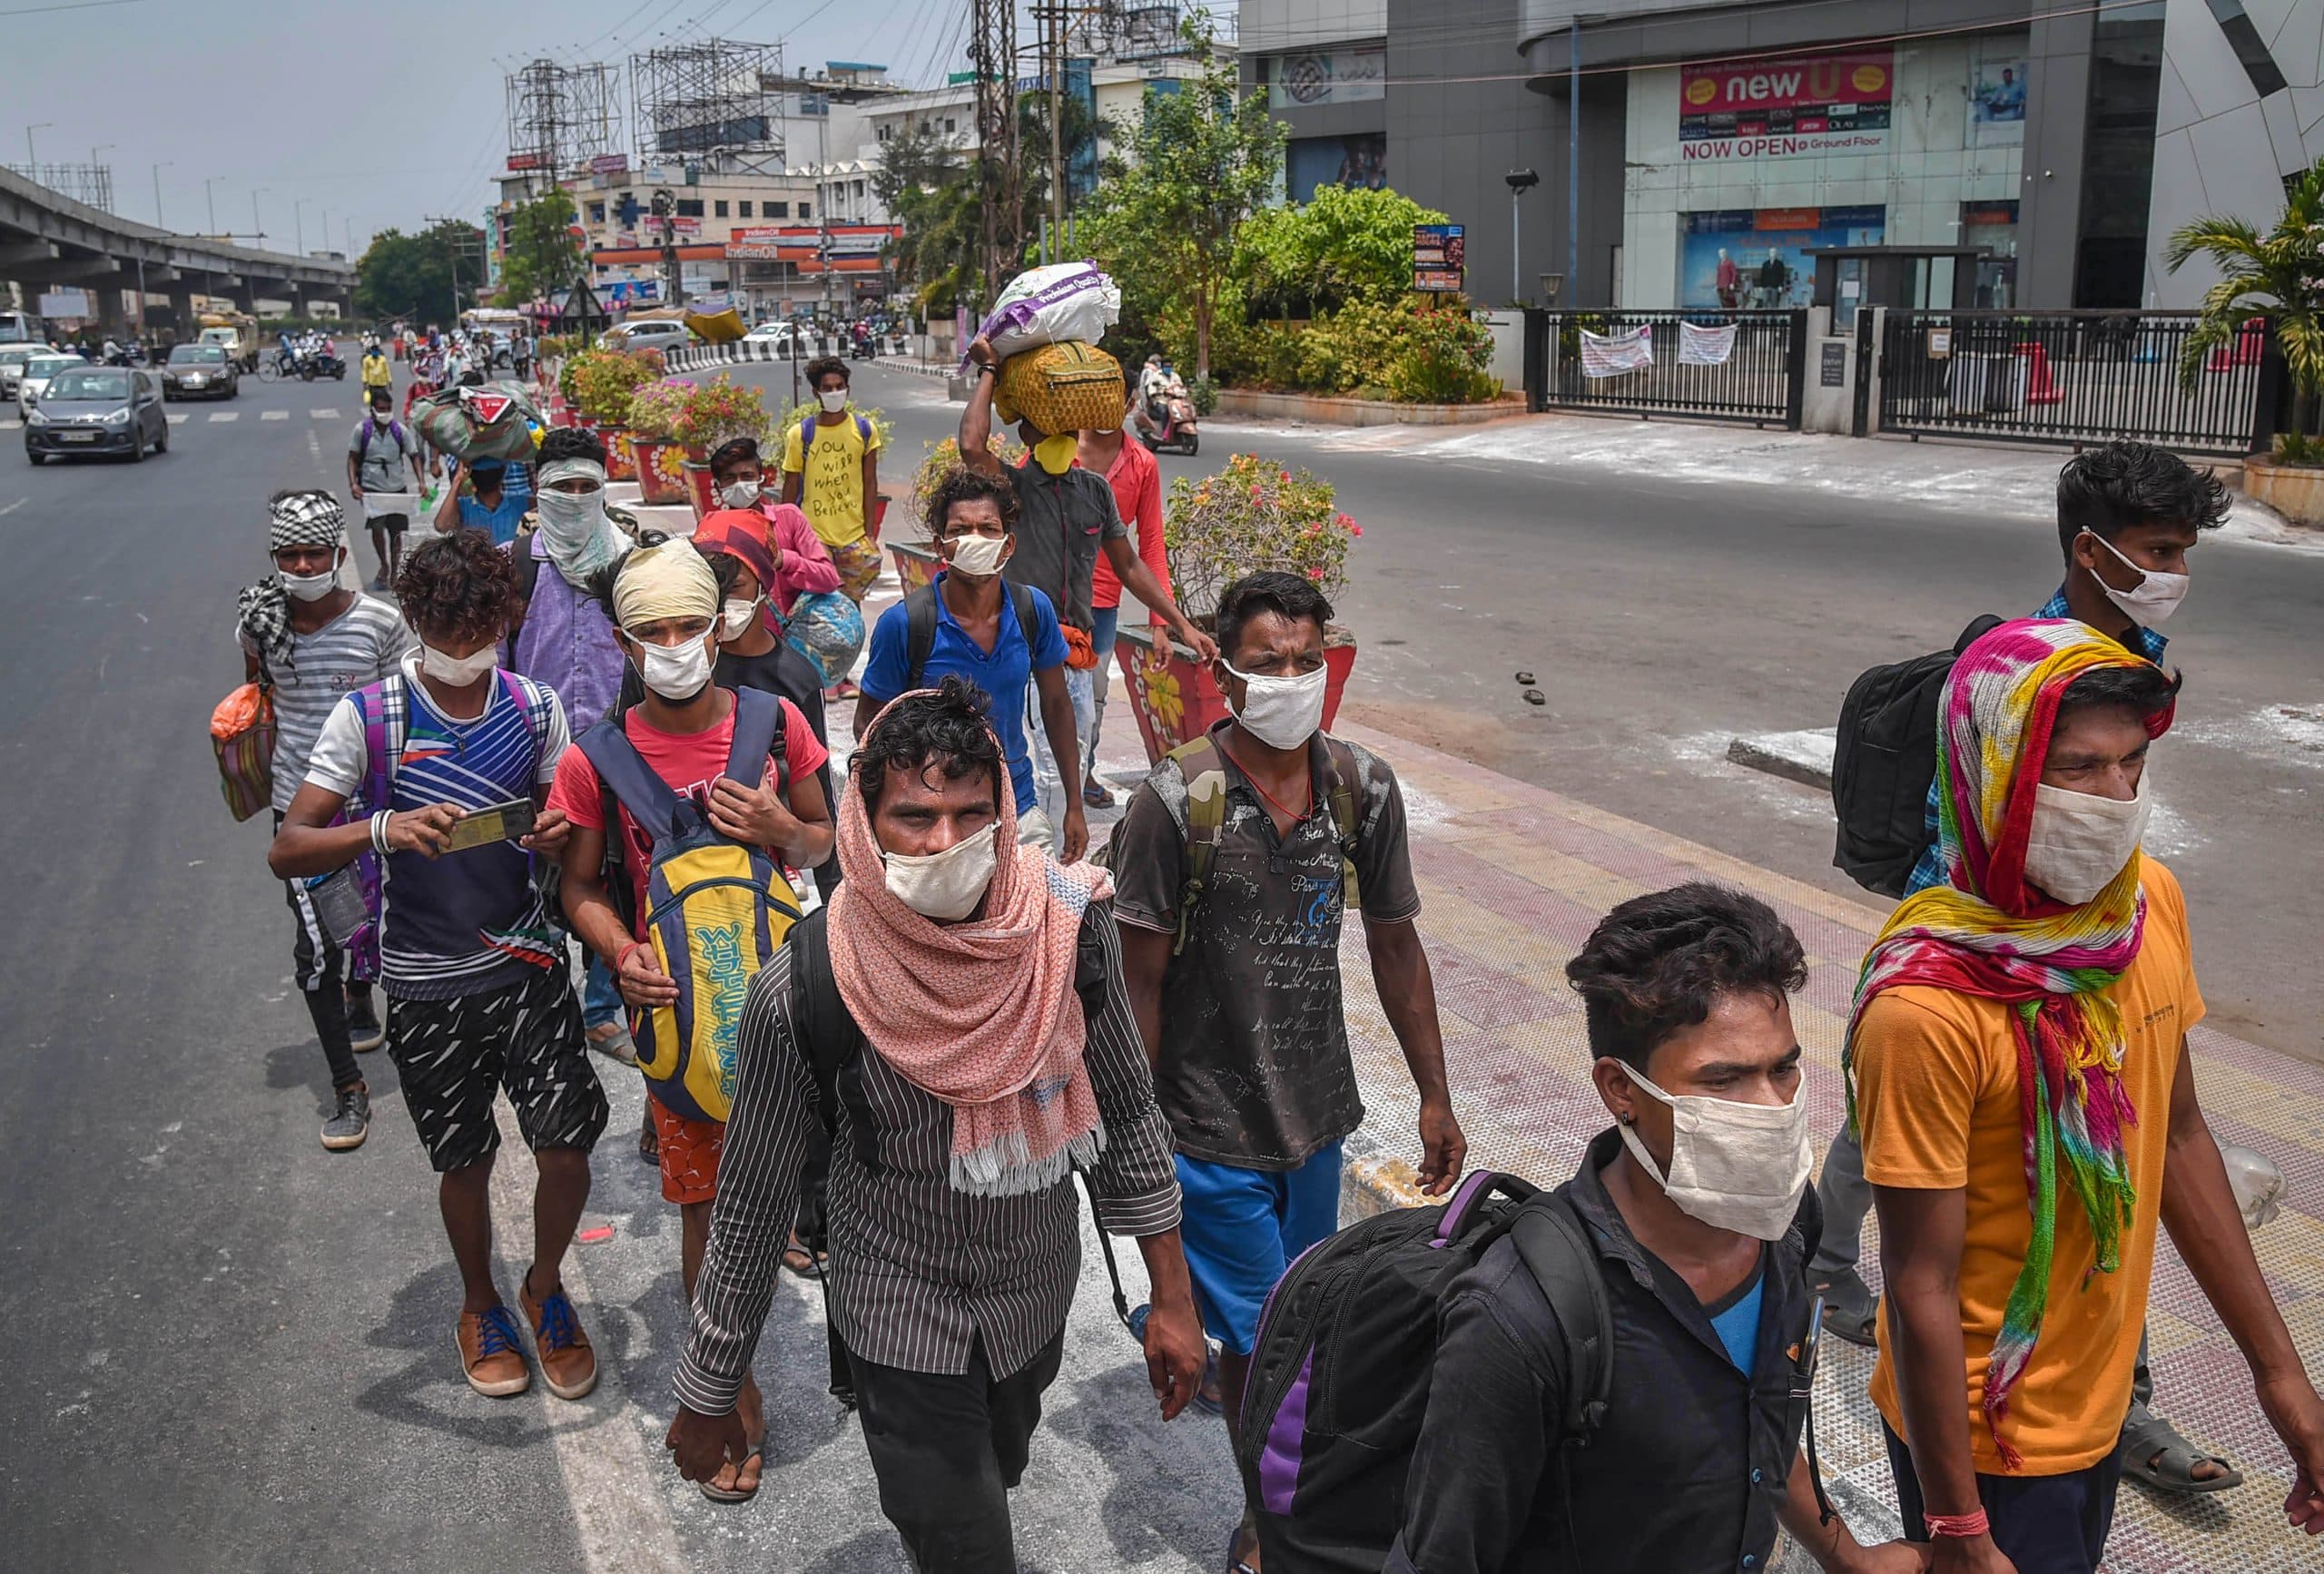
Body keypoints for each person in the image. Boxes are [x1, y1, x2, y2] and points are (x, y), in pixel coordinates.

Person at [664, 679, 1208, 1567]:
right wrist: (711, 1382)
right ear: (861, 822)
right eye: (914, 817)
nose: (944, 842)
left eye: (968, 813)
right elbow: (752, 1204)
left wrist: (1174, 1301)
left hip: (1033, 1302)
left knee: (994, 1476)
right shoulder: (804, 987)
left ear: (1002, 810)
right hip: (895, 1310)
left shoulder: (1068, 936)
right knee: (963, 1541)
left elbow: (1128, 1121)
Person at [1851, 618, 2324, 1572]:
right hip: (1986, 1435)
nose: (2114, 800)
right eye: (2074, 768)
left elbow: (2180, 1136)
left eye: (2131, 766)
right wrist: (1955, 1527)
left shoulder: (2146, 908)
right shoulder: (1926, 1005)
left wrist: (2283, 1382)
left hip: (2100, 1396)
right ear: (1991, 774)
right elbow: (1917, 1285)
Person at [1813, 440, 2235, 1493]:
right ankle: (1816, 1271)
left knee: (2097, 1168)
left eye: (2181, 550)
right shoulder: (2004, 674)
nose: (2173, 570)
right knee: (1905, 1156)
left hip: (2084, 956)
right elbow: (1955, 833)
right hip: (1986, 966)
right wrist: (1984, 959)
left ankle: (2112, 1393)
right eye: (2156, 549)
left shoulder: (2131, 663)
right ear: (2092, 550)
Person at [1386, 883, 1921, 1574]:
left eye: (1783, 1068)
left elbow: (1759, 1418)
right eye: (1724, 1080)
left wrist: (1845, 1555)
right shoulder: (1521, 1318)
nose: (1771, 1109)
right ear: (1620, 1090)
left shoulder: (1787, 1223)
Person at [1110, 570, 1466, 1574]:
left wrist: (1436, 1093)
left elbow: (1396, 944)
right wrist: (1137, 1140)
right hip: (1206, 1128)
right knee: (1272, 1347)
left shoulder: (1363, 788)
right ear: (1224, 676)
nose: (1291, 679)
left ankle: (1286, 1491)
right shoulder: (1173, 803)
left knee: (1298, 1329)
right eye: (1267, 663)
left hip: (1317, 1120)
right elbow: (1139, 981)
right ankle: (1271, 1528)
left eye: (1307, 661)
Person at [269, 531, 608, 1402]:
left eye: (481, 632)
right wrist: (381, 828)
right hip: (425, 980)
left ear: (505, 621)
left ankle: (544, 1286)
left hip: (530, 966)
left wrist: (550, 830)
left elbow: (560, 814)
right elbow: (291, 846)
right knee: (464, 1159)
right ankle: (480, 1300)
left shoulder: (535, 708)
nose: (464, 651)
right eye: (447, 634)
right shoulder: (370, 716)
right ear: (414, 620)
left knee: (567, 1148)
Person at [552, 539, 833, 1501]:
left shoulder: (776, 720)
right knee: (707, 1210)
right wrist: (619, 954)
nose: (674, 645)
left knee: (820, 1178)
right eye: (652, 631)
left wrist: (783, 834)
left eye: (688, 625)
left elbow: (824, 838)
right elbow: (580, 888)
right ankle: (729, 1387)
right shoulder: (597, 758)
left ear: (719, 628)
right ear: (625, 643)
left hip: (788, 1006)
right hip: (682, 1020)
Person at [957, 333, 1214, 831]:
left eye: (1068, 429)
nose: (1062, 437)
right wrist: (988, 370)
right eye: (1048, 429)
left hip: (1075, 650)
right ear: (1026, 436)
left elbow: (1131, 564)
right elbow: (971, 445)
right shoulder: (1012, 488)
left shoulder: (1093, 491)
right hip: (1020, 650)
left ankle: (1053, 853)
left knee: (1069, 760)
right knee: (1019, 763)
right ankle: (1029, 863)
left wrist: (1180, 624)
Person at [236, 490, 410, 1150]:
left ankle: (361, 994)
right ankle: (347, 1088)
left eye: (315, 553)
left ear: (340, 554)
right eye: (290, 555)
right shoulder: (261, 621)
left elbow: (402, 709)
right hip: (298, 808)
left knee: (367, 923)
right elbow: (257, 693)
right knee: (315, 947)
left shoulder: (379, 624)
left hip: (371, 804)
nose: (303, 566)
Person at [857, 467, 1082, 860]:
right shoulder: (906, 625)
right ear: (940, 545)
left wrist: (1075, 806)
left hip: (1017, 806)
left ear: (1008, 544)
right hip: (939, 821)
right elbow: (869, 725)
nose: (974, 540)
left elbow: (1058, 706)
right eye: (960, 530)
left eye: (988, 529)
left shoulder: (1033, 610)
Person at [507, 426, 642, 1064]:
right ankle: (543, 1005)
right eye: (564, 487)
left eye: (589, 486)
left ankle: (600, 1008)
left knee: (610, 877)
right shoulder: (516, 567)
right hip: (537, 762)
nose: (577, 497)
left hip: (618, 753)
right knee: (538, 879)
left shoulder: (630, 559)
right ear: (541, 492)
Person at [1077, 369, 1170, 807]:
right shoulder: (1057, 449)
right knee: (1038, 692)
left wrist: (1161, 623)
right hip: (1044, 598)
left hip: (1102, 605)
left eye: (1117, 399)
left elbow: (1150, 542)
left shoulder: (1142, 465)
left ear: (1131, 404)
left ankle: (1083, 770)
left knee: (1093, 695)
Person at [705, 436, 859, 684]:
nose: (739, 484)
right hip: (735, 657)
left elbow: (829, 578)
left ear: (761, 480)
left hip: (790, 656)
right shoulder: (712, 531)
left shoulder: (789, 519)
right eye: (730, 479)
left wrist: (784, 561)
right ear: (718, 487)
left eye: (746, 476)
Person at [778, 356, 883, 635]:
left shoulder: (864, 431)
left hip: (853, 535)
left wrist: (869, 532)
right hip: (814, 536)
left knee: (850, 607)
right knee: (818, 605)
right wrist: (785, 535)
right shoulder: (800, 434)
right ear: (816, 392)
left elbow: (870, 481)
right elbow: (790, 485)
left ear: (848, 388)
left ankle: (846, 669)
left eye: (840, 386)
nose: (834, 392)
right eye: (828, 388)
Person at [349, 389, 426, 589]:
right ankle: (384, 564)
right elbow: (353, 458)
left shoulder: (400, 430)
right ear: (373, 410)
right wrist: (354, 484)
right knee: (376, 529)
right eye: (381, 409)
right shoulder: (361, 431)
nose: (385, 413)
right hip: (372, 490)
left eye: (388, 409)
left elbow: (414, 455)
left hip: (397, 489)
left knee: (397, 534)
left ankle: (395, 568)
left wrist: (421, 481)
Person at [433, 455, 529, 547]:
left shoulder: (521, 502)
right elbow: (441, 526)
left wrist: (457, 481)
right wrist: (457, 481)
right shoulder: (463, 506)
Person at [360, 339, 393, 404]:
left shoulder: (383, 359)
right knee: (373, 401)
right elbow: (365, 372)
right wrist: (365, 383)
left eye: (376, 350)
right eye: (373, 350)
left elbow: (387, 371)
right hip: (372, 384)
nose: (375, 352)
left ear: (378, 351)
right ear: (371, 351)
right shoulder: (367, 360)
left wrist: (390, 382)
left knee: (384, 399)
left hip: (382, 383)